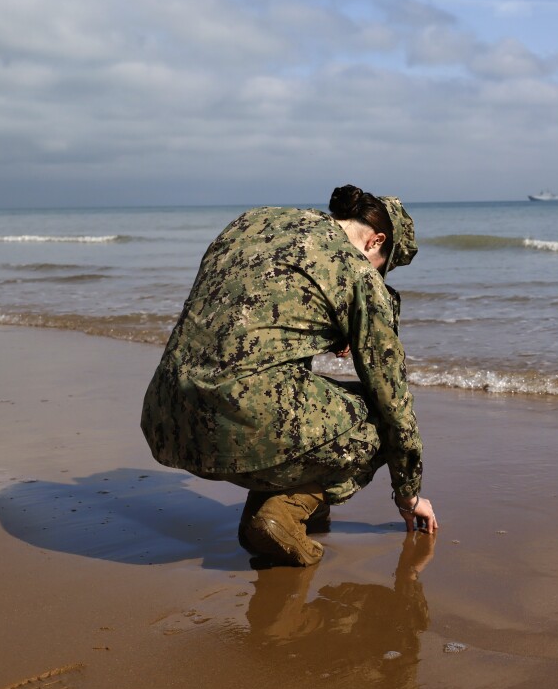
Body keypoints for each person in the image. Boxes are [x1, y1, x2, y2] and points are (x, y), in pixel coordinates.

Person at [140, 184, 438, 567]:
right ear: (375, 241)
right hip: (234, 422)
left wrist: (327, 332)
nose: (380, 275)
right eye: (385, 266)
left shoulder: (254, 222)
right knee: (380, 420)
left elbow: (255, 320)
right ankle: (281, 511)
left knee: (287, 395)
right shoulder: (358, 271)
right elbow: (392, 398)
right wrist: (409, 495)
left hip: (167, 420)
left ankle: (288, 509)